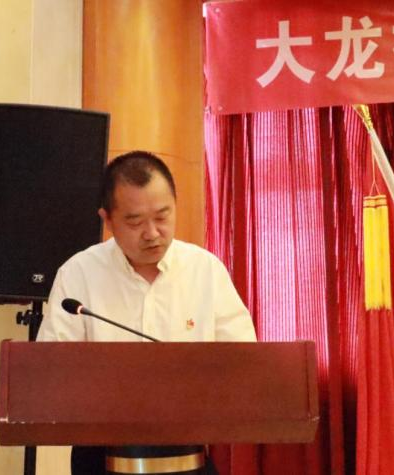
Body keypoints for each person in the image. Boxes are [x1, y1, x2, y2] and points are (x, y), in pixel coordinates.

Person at [37, 150, 256, 474]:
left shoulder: (205, 270)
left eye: (162, 216)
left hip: (186, 453)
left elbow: (244, 362)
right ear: (108, 220)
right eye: (135, 222)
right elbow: (52, 371)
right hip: (99, 457)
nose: (152, 233)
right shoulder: (78, 273)